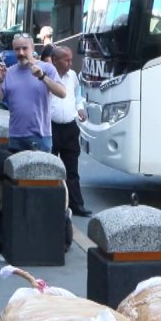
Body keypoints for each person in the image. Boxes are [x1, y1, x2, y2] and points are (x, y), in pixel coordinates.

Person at [0, 34, 67, 152]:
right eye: (17, 49)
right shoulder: (9, 72)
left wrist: (42, 77)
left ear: (32, 49)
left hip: (41, 137)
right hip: (16, 137)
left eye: (24, 48)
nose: (21, 52)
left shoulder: (47, 69)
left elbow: (62, 93)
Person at [49, 46, 91, 216]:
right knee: (50, 168)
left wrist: (80, 108)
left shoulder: (72, 76)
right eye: (66, 60)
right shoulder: (48, 76)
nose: (70, 63)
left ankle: (76, 204)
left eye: (71, 59)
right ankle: (51, 204)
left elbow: (77, 96)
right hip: (50, 127)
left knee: (71, 169)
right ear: (55, 60)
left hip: (69, 128)